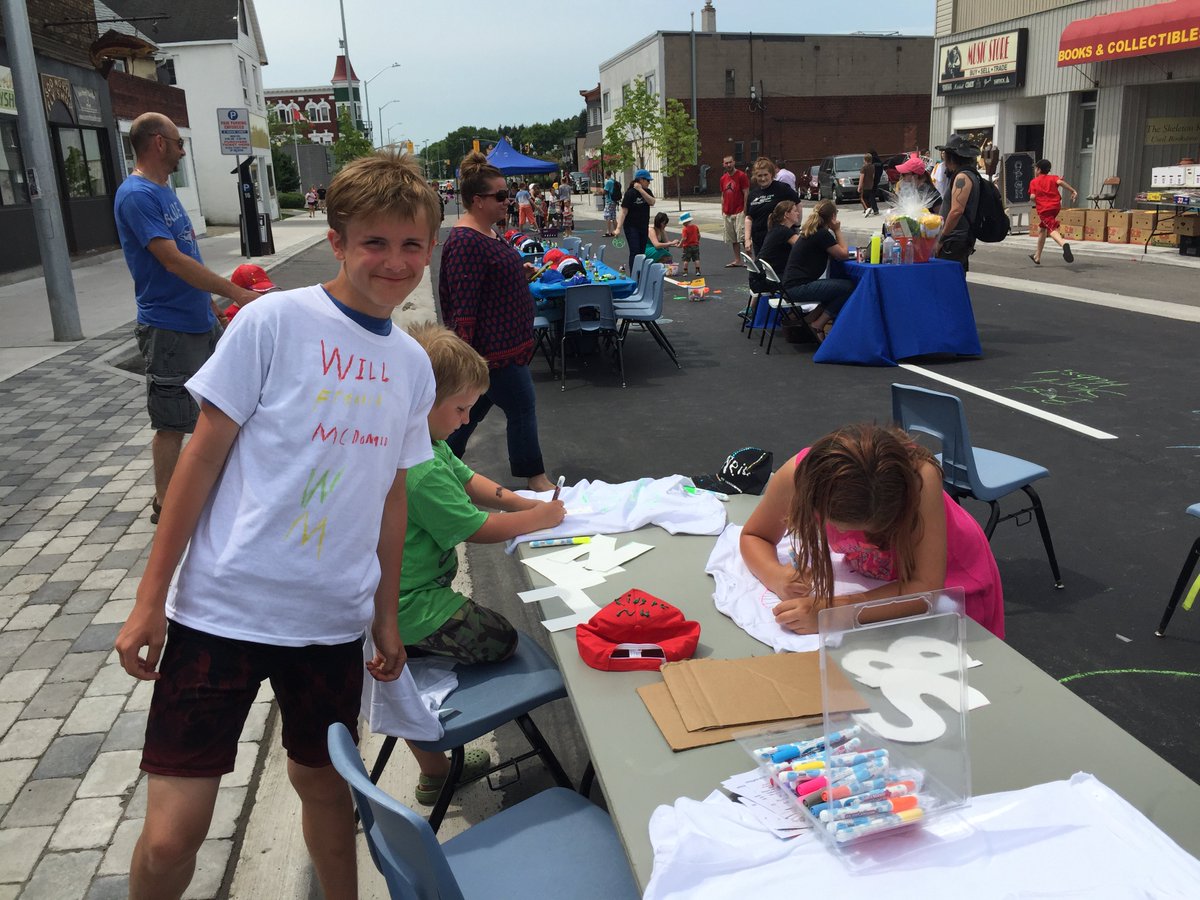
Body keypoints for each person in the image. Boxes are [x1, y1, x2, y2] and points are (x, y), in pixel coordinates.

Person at [113, 150, 441, 900]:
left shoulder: (412, 368)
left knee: (327, 793)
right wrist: (148, 599)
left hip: (329, 624)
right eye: (374, 243)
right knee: (169, 838)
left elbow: (391, 498)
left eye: (410, 244)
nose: (393, 262)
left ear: (429, 245)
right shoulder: (273, 322)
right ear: (337, 240)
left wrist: (384, 617)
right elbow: (197, 464)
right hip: (221, 610)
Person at [399, 323, 566, 804]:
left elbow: (470, 479)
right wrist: (536, 518)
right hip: (411, 605)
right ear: (422, 401)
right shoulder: (421, 469)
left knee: (403, 678)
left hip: (397, 599)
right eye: (461, 408)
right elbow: (476, 527)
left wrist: (521, 501)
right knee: (504, 640)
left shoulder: (422, 442)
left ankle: (433, 769)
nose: (466, 418)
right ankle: (421, 666)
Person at [114, 112, 258, 526]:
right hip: (169, 327)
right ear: (158, 143)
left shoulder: (163, 191)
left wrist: (211, 305)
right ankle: (166, 505)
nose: (181, 150)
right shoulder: (137, 195)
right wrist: (235, 293)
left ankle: (215, 489)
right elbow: (171, 260)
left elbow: (187, 256)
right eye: (178, 143)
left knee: (223, 404)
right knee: (172, 419)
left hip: (198, 318)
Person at [738, 423, 1004, 638]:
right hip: (885, 587)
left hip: (954, 584)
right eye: (839, 527)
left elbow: (926, 589)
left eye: (868, 532)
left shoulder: (921, 480)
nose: (848, 536)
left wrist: (833, 612)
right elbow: (755, 535)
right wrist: (776, 576)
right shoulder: (799, 477)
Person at [439, 152, 556, 493]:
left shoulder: (488, 233)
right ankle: (535, 478)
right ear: (477, 200)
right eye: (501, 196)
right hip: (490, 354)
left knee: (466, 417)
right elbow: (463, 306)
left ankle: (438, 467)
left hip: (504, 350)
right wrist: (465, 362)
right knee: (522, 406)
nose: (508, 200)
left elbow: (490, 279)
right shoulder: (465, 241)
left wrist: (518, 272)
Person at [781, 200, 854, 342]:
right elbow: (843, 254)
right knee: (848, 287)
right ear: (833, 217)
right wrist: (837, 230)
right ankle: (818, 324)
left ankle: (809, 319)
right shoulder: (822, 234)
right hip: (798, 288)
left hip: (790, 285)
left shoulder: (810, 231)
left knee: (834, 288)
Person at [934, 134, 981, 272]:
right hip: (959, 239)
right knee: (954, 282)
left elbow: (956, 211)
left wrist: (941, 239)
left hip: (954, 241)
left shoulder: (962, 177)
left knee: (949, 282)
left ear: (951, 157)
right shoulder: (969, 175)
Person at [744, 157, 800, 257]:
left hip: (779, 240)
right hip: (759, 240)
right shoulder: (752, 195)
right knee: (761, 269)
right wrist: (747, 239)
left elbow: (798, 204)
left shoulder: (782, 188)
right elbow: (749, 217)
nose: (763, 178)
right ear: (755, 177)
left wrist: (796, 226)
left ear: (771, 174)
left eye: (766, 175)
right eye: (759, 175)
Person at [1028, 159, 1078, 266]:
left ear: (1039, 170)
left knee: (1051, 228)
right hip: (1055, 207)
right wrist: (1072, 190)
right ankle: (1037, 256)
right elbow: (1060, 182)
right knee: (1042, 229)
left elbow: (1032, 196)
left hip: (1044, 209)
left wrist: (1038, 201)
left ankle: (1064, 244)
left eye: (1036, 168)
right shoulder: (1053, 177)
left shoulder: (1034, 182)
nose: (1035, 170)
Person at [753, 200, 801, 288]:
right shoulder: (784, 231)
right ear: (786, 214)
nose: (798, 213)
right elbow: (803, 246)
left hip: (759, 275)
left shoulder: (776, 229)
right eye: (795, 211)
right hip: (768, 278)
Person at [616, 168, 656, 273]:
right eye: (648, 180)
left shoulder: (647, 192)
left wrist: (641, 190)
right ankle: (634, 274)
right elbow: (623, 211)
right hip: (631, 226)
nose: (649, 183)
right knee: (635, 251)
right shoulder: (630, 193)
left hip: (643, 226)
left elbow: (652, 202)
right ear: (641, 180)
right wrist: (618, 228)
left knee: (642, 252)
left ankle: (641, 273)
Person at [720, 155, 750, 267]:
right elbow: (722, 194)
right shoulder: (723, 178)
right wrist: (722, 208)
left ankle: (749, 260)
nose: (728, 165)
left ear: (734, 162)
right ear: (723, 164)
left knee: (742, 237)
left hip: (740, 210)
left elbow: (746, 192)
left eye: (730, 162)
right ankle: (737, 260)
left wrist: (746, 209)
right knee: (733, 238)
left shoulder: (741, 176)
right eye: (726, 163)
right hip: (728, 212)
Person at [678, 210, 702, 278]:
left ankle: (685, 272)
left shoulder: (685, 229)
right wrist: (697, 241)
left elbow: (684, 238)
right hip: (695, 245)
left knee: (686, 260)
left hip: (687, 246)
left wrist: (680, 244)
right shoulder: (695, 227)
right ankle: (697, 271)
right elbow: (699, 235)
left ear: (684, 222)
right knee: (696, 259)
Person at [602, 171, 620, 236]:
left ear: (606, 174)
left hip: (609, 201)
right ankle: (615, 231)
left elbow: (605, 191)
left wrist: (601, 191)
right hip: (614, 201)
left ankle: (608, 231)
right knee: (613, 217)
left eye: (605, 174)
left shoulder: (608, 182)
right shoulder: (613, 181)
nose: (604, 175)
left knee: (607, 216)